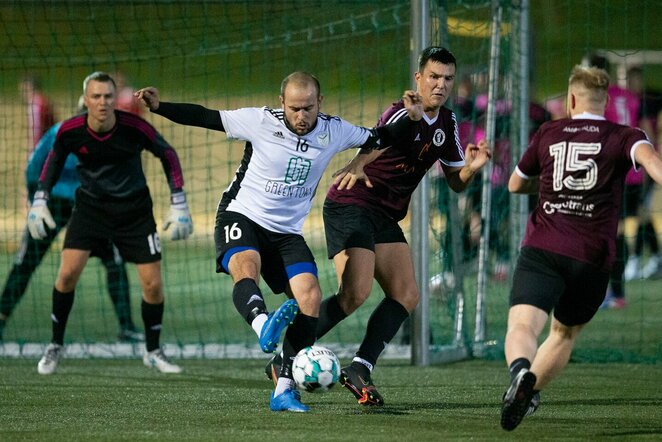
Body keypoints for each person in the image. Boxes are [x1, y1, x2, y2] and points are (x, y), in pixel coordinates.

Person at [135, 71, 423, 412]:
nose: (301, 117)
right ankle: (263, 325)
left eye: (308, 108)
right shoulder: (259, 121)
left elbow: (381, 136)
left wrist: (411, 120)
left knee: (311, 298)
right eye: (295, 108)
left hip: (286, 232)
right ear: (281, 103)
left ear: (320, 103)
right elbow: (205, 117)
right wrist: (159, 106)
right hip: (241, 215)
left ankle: (284, 390)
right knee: (246, 266)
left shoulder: (333, 130)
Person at [264, 47, 491, 407]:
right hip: (351, 204)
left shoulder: (448, 124)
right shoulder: (404, 110)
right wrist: (357, 163)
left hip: (384, 215)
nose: (441, 84)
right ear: (419, 78)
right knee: (355, 293)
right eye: (434, 76)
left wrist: (472, 168)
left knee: (407, 293)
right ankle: (284, 359)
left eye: (448, 78)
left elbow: (455, 181)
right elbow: (376, 138)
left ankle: (360, 368)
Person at [500, 65, 662, 431]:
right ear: (605, 102)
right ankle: (530, 387)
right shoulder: (625, 135)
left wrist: (548, 189)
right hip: (591, 257)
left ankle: (520, 373)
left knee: (523, 323)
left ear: (571, 100)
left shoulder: (548, 132)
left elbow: (514, 184)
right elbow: (652, 163)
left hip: (543, 245)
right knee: (563, 334)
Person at [28, 72, 192, 375]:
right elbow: (53, 161)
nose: (102, 102)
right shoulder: (70, 130)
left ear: (115, 99)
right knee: (66, 276)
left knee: (153, 286)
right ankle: (55, 345)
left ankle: (153, 350)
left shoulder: (134, 127)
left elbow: (167, 153)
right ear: (85, 100)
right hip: (90, 211)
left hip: (134, 213)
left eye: (107, 96)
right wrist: (40, 199)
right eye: (96, 96)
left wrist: (178, 200)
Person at [0, 98, 143, 343]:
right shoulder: (61, 133)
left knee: (114, 260)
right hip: (56, 203)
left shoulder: (106, 138)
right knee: (27, 261)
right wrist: (38, 202)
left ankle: (126, 325)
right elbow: (34, 168)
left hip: (88, 206)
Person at [583, 54, 641, 309]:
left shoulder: (597, 99)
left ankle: (610, 292)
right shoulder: (628, 96)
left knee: (605, 232)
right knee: (613, 231)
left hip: (608, 172)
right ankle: (615, 292)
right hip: (633, 171)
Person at [20, 75, 56, 154]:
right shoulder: (44, 100)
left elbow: (36, 129)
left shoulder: (35, 104)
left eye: (24, 90)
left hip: (45, 147)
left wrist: (33, 151)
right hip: (53, 144)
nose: (23, 94)